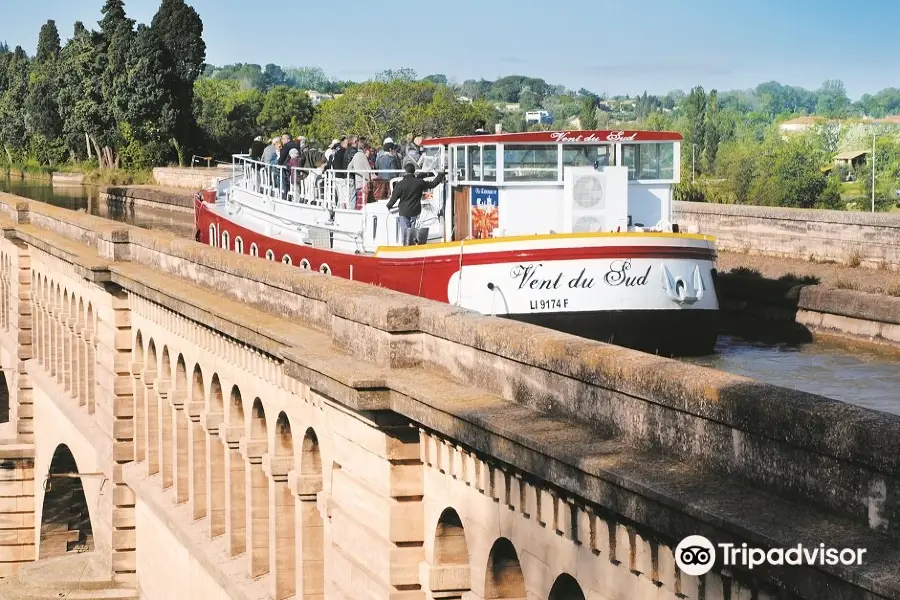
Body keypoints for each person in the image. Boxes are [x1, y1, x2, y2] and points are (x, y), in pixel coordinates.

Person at [387, 163, 446, 244]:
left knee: (405, 231)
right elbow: (432, 184)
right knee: (412, 230)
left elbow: (393, 198)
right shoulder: (419, 182)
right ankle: (412, 244)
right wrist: (441, 175)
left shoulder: (400, 184)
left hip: (404, 211)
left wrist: (389, 206)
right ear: (414, 171)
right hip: (415, 210)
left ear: (405, 172)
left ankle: (406, 246)